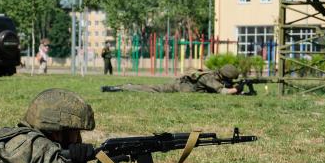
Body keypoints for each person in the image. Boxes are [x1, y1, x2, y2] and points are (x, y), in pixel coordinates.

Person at [101, 64, 253, 95]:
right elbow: (223, 91)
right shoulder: (209, 77)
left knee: (150, 88)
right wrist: (237, 89)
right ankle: (122, 87)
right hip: (176, 88)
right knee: (150, 89)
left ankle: (126, 86)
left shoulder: (214, 75)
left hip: (179, 86)